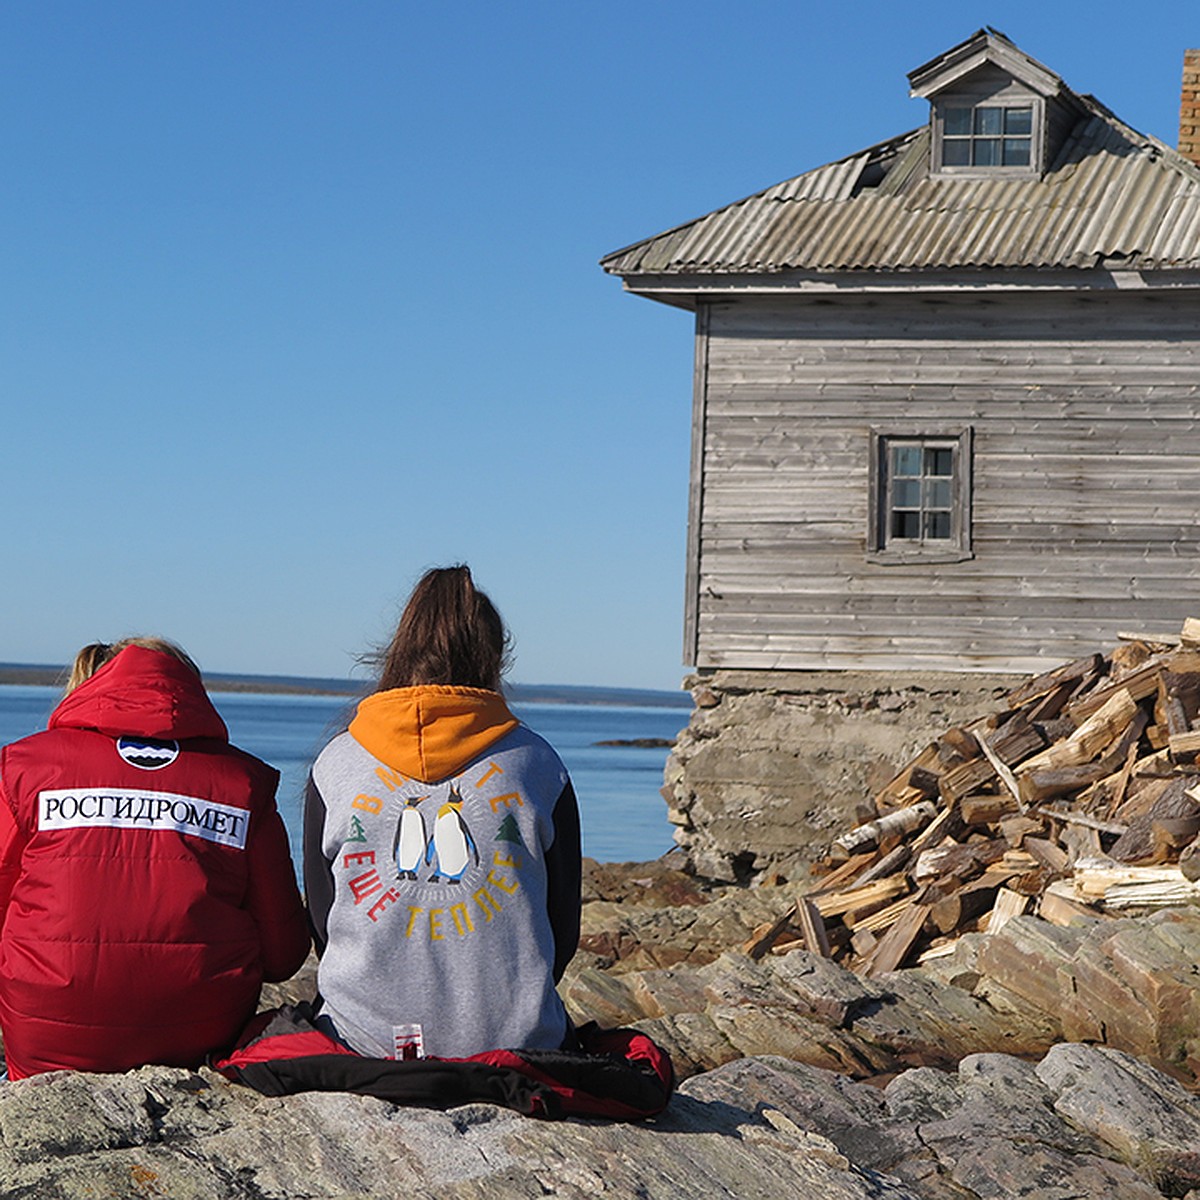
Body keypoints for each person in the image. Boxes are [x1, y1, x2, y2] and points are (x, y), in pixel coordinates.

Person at [303, 565, 581, 1061]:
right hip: (517, 1043)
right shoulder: (537, 763)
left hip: (362, 1042)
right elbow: (562, 929)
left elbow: (324, 923)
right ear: (495, 658)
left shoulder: (337, 764)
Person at [0, 637, 310, 1079]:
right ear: (186, 689)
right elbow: (284, 955)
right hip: (198, 1039)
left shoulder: (23, 768)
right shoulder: (244, 783)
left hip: (47, 1045)